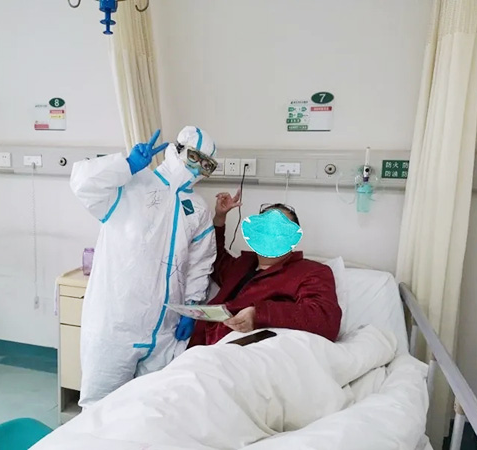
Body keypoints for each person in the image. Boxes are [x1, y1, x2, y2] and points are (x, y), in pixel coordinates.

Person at [70, 126, 219, 408]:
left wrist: (192, 306)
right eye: (194, 157)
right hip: (115, 327)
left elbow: (200, 263)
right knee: (99, 411)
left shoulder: (197, 208)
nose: (198, 168)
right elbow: (83, 185)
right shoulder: (132, 186)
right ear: (176, 149)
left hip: (165, 331)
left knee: (152, 410)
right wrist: (126, 165)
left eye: (207, 165)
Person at [188, 191, 341, 347]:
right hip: (202, 347)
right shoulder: (241, 265)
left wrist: (258, 314)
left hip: (247, 348)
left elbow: (325, 319)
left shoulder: (310, 271)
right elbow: (213, 258)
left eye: (278, 231)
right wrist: (220, 218)